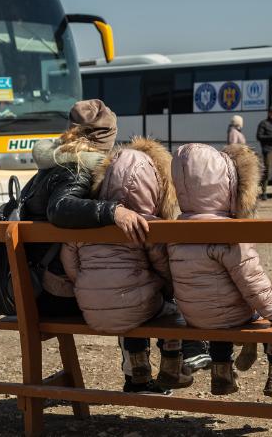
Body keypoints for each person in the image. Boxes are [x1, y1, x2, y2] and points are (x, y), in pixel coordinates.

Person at [168, 143, 272, 397]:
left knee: (218, 302)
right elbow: (251, 276)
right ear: (226, 183)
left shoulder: (175, 228)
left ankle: (222, 373)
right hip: (232, 316)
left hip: (195, 316)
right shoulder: (228, 232)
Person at [61, 137, 193, 395]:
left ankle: (136, 366)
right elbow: (163, 267)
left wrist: (83, 284)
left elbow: (70, 262)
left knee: (129, 300)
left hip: (91, 308)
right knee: (162, 306)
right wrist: (164, 288)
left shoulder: (89, 219)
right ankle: (171, 364)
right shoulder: (145, 224)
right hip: (135, 305)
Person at [20, 99, 149, 317]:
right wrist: (114, 211)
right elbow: (60, 208)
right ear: (107, 136)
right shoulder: (77, 168)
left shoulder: (54, 163)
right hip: (53, 293)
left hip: (34, 283)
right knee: (136, 294)